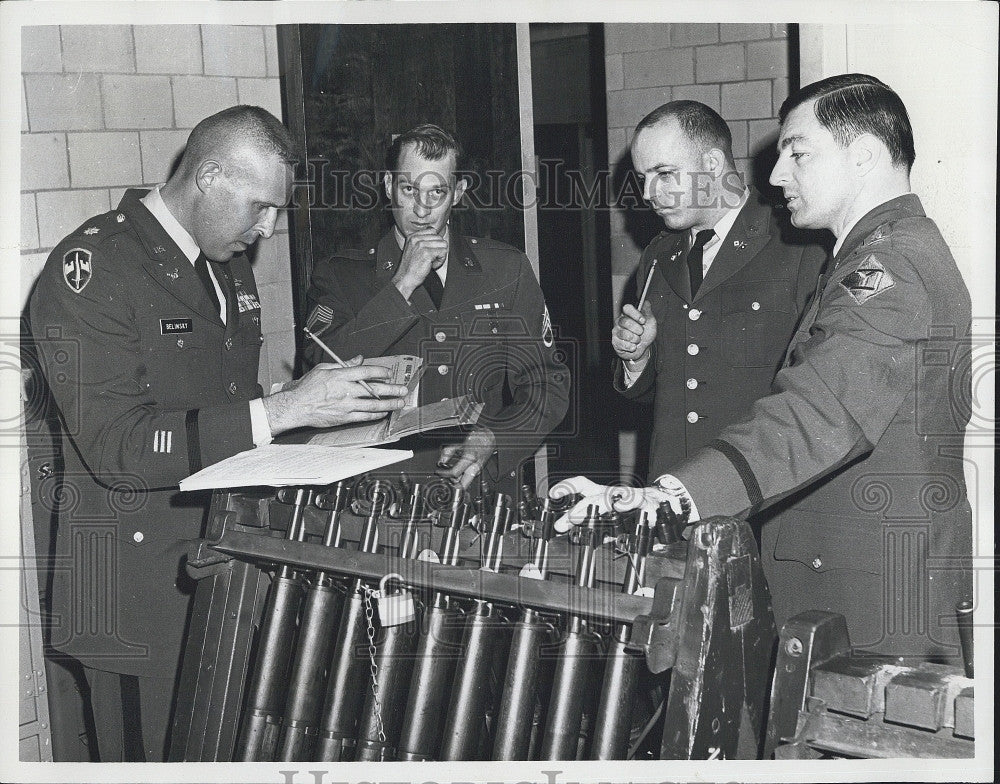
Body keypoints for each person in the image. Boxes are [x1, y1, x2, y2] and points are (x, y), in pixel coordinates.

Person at [28, 105, 409, 761]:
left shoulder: (221, 265)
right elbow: (118, 446)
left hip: (220, 577)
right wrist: (283, 413)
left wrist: (316, 407)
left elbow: (220, 408)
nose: (267, 230)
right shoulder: (93, 268)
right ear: (208, 176)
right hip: (133, 604)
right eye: (260, 207)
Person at [557, 74, 973, 662]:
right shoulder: (872, 255)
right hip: (842, 575)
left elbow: (819, 412)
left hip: (878, 593)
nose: (776, 176)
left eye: (798, 154)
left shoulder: (892, 264)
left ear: (864, 157)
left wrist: (671, 499)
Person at [304, 123, 571, 493]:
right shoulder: (341, 275)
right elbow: (319, 368)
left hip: (479, 487)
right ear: (387, 186)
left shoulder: (505, 269)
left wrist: (494, 439)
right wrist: (401, 285)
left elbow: (546, 384)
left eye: (437, 192)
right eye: (409, 189)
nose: (422, 209)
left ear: (458, 193)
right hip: (379, 494)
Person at [612, 100, 827, 479]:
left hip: (761, 488)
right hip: (673, 488)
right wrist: (638, 357)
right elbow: (661, 394)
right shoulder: (659, 255)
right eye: (643, 177)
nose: (647, 193)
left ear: (712, 165)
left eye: (663, 173)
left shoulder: (797, 243)